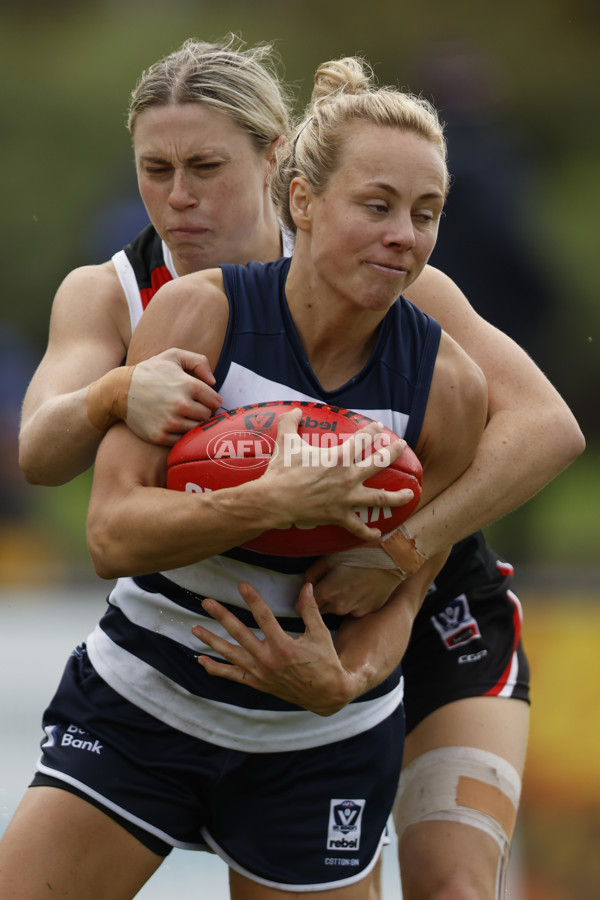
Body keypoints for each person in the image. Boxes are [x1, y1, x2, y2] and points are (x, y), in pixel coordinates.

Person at [14, 37, 584, 899]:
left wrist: (394, 553)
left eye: (205, 166)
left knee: (453, 885)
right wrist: (114, 396)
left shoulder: (382, 273)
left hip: (417, 593)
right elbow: (44, 461)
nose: (179, 197)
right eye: (154, 168)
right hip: (219, 621)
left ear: (284, 167)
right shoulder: (135, 297)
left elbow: (545, 427)